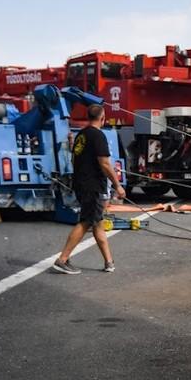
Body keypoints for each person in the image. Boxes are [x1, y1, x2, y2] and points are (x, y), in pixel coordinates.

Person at [52, 104, 125, 274]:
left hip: (82, 184)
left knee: (97, 222)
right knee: (86, 221)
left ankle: (109, 261)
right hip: (92, 186)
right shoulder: (98, 135)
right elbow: (105, 163)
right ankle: (62, 259)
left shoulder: (81, 135)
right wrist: (117, 185)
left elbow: (76, 159)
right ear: (102, 118)